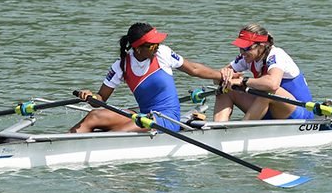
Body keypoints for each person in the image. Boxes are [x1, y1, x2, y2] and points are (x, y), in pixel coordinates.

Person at [70, 22, 236, 133]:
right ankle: (59, 144)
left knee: (121, 131)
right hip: (144, 115)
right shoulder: (121, 65)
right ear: (138, 49)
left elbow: (193, 69)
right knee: (94, 116)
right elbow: (101, 98)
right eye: (152, 45)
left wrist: (222, 75)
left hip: (168, 118)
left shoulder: (163, 53)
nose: (156, 47)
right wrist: (90, 96)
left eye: (157, 43)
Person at [214, 23, 314, 121]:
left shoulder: (277, 55)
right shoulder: (247, 57)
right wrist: (225, 75)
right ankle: (218, 130)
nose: (242, 52)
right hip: (270, 109)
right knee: (225, 89)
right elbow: (216, 81)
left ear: (261, 46)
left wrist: (242, 81)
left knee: (269, 90)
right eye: (240, 48)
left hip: (300, 113)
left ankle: (243, 130)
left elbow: (272, 84)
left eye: (246, 48)